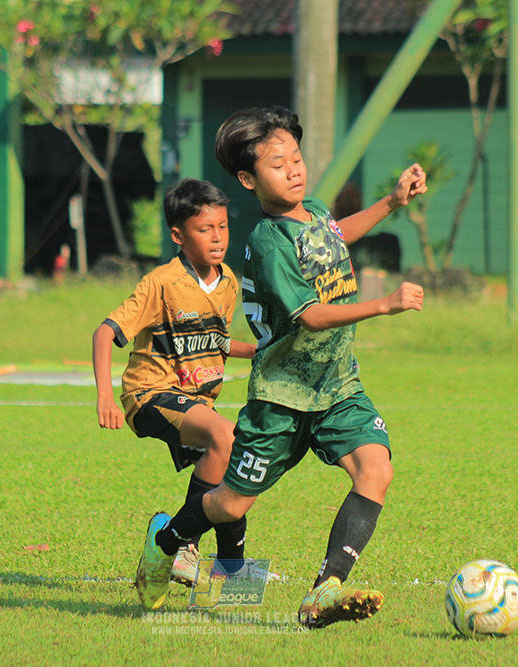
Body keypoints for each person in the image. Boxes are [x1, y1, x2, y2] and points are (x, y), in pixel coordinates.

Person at [135, 106, 427, 628]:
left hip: (336, 385)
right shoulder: (267, 243)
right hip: (281, 398)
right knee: (230, 505)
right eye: (277, 164)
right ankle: (167, 540)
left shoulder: (312, 210)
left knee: (376, 468)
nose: (293, 170)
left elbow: (335, 238)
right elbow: (310, 316)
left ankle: (325, 590)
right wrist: (383, 305)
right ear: (248, 179)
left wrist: (392, 201)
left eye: (296, 158)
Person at [92, 178, 257, 593]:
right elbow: (104, 332)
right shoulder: (161, 283)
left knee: (236, 472)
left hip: (195, 401)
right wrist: (105, 397)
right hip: (149, 394)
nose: (217, 237)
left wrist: (260, 351)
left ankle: (231, 575)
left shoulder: (227, 281)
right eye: (205, 229)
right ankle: (182, 545)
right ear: (178, 235)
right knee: (227, 435)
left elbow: (216, 341)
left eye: (222, 227)